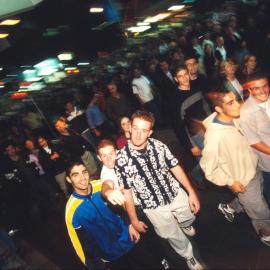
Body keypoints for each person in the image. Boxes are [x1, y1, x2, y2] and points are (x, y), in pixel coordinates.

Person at [114, 111, 203, 270]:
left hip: (174, 193)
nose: (138, 134)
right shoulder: (121, 160)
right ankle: (189, 256)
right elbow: (127, 192)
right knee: (172, 235)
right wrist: (134, 220)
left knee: (189, 215)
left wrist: (191, 192)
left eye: (144, 130)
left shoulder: (159, 145)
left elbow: (174, 167)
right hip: (153, 206)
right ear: (130, 128)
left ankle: (184, 223)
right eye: (135, 128)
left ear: (150, 132)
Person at [200, 89, 270, 247]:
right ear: (218, 109)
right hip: (242, 179)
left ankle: (230, 207)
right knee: (260, 211)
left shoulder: (234, 117)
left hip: (253, 166)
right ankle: (266, 233)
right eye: (231, 103)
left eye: (236, 99)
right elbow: (208, 168)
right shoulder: (215, 136)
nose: (238, 104)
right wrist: (230, 181)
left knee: (253, 198)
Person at [65, 161, 161, 270]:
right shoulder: (71, 210)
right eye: (76, 175)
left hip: (130, 239)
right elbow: (80, 245)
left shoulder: (101, 186)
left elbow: (123, 204)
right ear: (69, 179)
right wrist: (97, 267)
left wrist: (130, 224)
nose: (82, 178)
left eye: (84, 172)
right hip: (111, 256)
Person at [240, 73, 270, 206]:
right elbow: (254, 142)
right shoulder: (246, 113)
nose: (263, 91)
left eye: (265, 86)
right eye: (257, 88)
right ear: (250, 90)